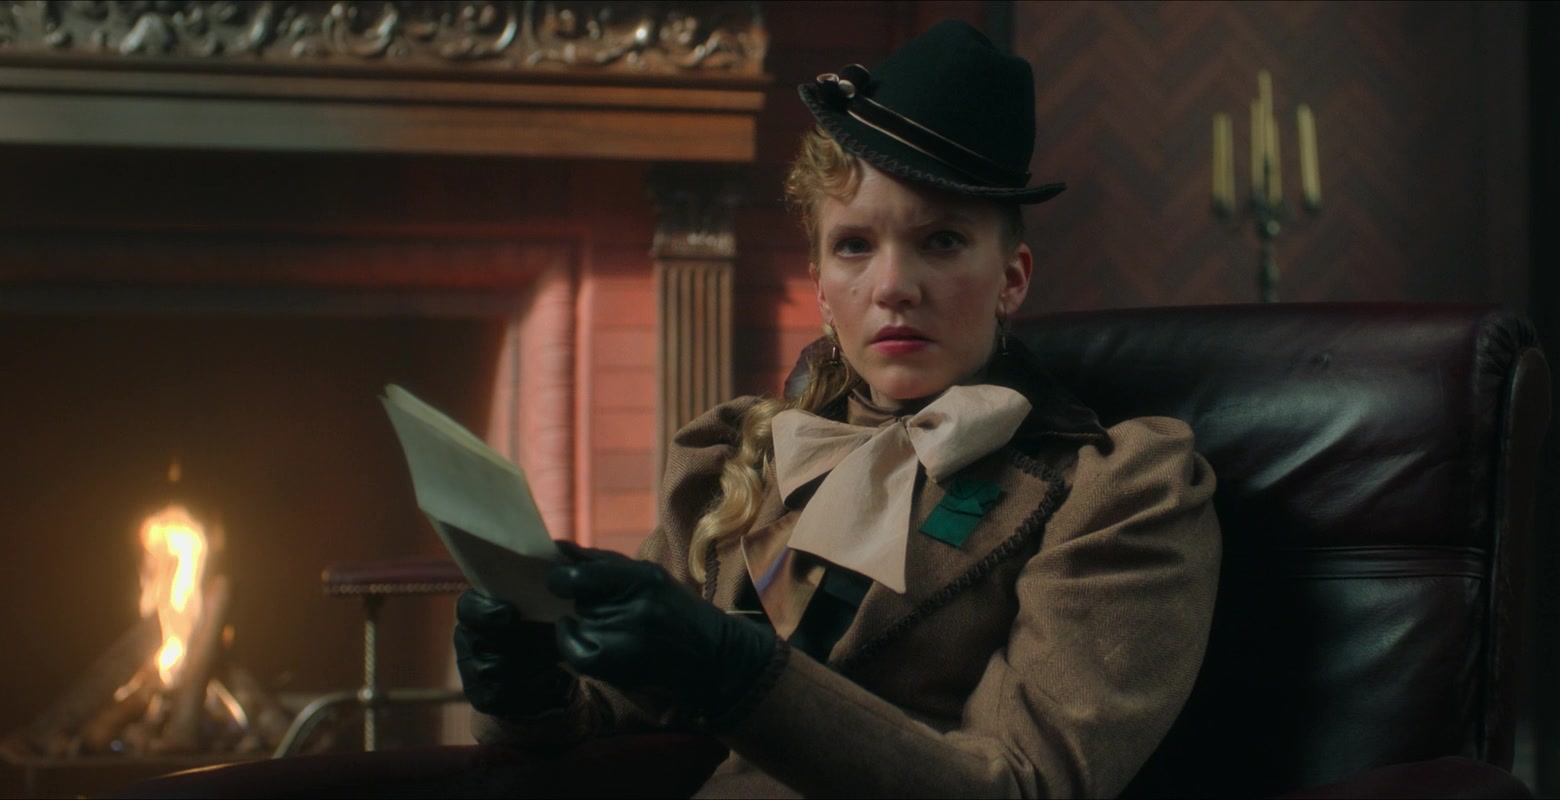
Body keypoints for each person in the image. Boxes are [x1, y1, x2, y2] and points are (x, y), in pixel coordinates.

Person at [452, 20, 1222, 798]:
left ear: (1012, 278)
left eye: (943, 241)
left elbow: (1023, 787)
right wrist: (528, 686)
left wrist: (733, 668)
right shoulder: (742, 459)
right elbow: (610, 717)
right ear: (820, 285)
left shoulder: (1119, 495)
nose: (892, 288)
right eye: (854, 245)